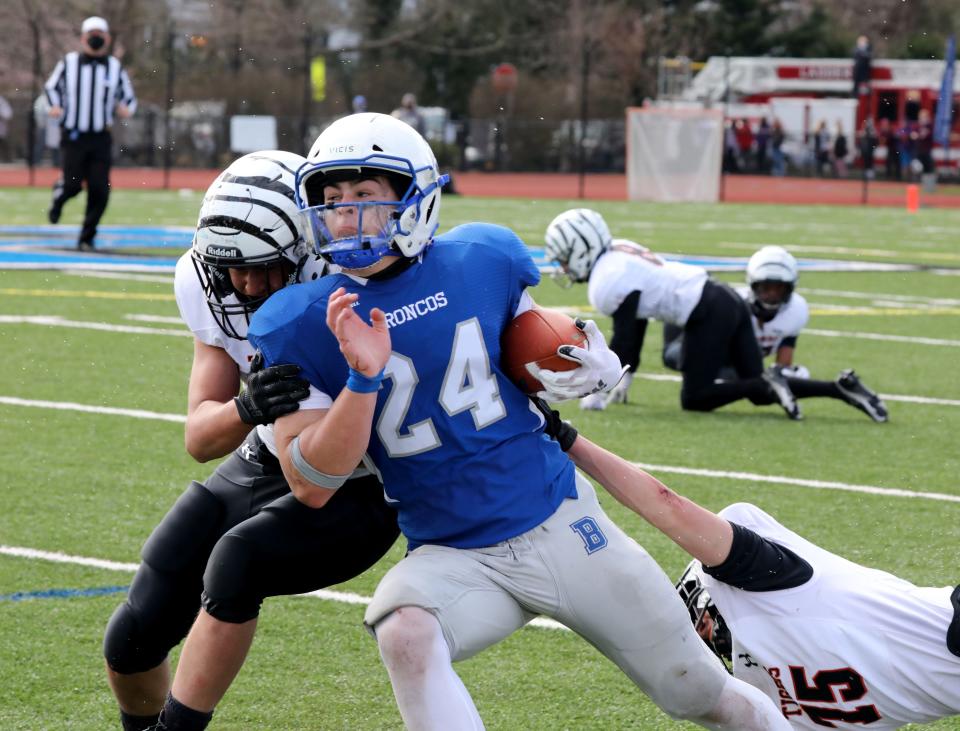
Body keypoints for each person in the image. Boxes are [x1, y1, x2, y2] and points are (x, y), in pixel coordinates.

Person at [246, 112, 789, 730]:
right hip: (453, 555)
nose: (347, 216)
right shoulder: (300, 320)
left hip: (561, 523)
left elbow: (539, 343)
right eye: (333, 200)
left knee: (700, 694)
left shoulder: (483, 258)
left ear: (416, 197)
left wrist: (586, 359)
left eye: (366, 197)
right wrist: (362, 379)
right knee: (404, 633)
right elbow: (312, 482)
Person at [103, 150, 399, 731]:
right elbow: (199, 433)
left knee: (236, 563)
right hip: (269, 450)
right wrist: (247, 405)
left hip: (369, 478)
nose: (248, 283)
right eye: (235, 267)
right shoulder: (205, 280)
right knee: (133, 637)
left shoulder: (350, 280)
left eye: (267, 267)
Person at [538, 423, 960, 729]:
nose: (712, 635)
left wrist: (566, 439)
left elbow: (667, 507)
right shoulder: (772, 586)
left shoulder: (768, 695)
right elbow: (666, 506)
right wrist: (566, 437)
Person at [544, 209, 888, 422]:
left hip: (707, 312)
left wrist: (603, 389)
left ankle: (768, 380)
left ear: (581, 248)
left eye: (563, 257)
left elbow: (628, 334)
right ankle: (839, 388)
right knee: (756, 391)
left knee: (695, 399)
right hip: (722, 299)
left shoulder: (607, 277)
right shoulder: (617, 251)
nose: (561, 266)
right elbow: (635, 323)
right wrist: (626, 375)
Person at [44, 16, 137, 250]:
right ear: (83, 37)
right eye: (91, 33)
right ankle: (60, 196)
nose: (95, 38)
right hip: (74, 135)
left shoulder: (115, 67)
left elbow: (128, 96)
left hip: (99, 137)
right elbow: (51, 88)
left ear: (106, 38)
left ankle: (86, 237)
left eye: (100, 33)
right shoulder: (68, 62)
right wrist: (54, 106)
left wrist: (126, 108)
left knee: (100, 189)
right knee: (73, 185)